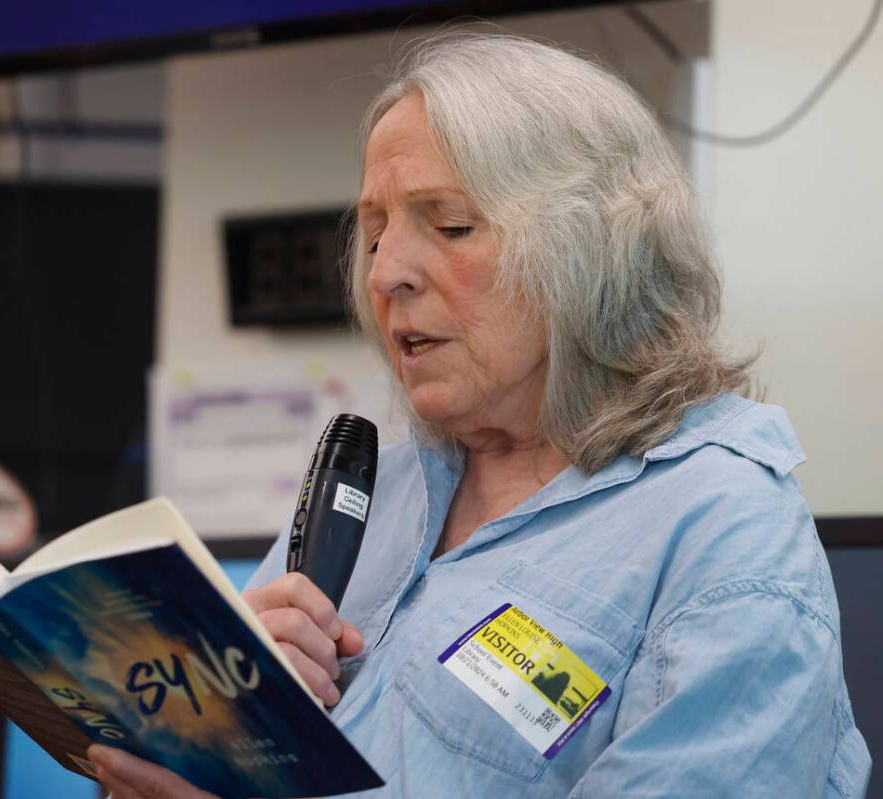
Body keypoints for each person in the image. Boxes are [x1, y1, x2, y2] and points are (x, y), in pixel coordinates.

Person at [88, 34, 871, 798]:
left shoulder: (723, 533)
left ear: (594, 248)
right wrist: (207, 733)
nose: (386, 272)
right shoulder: (378, 493)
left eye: (451, 225)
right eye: (374, 232)